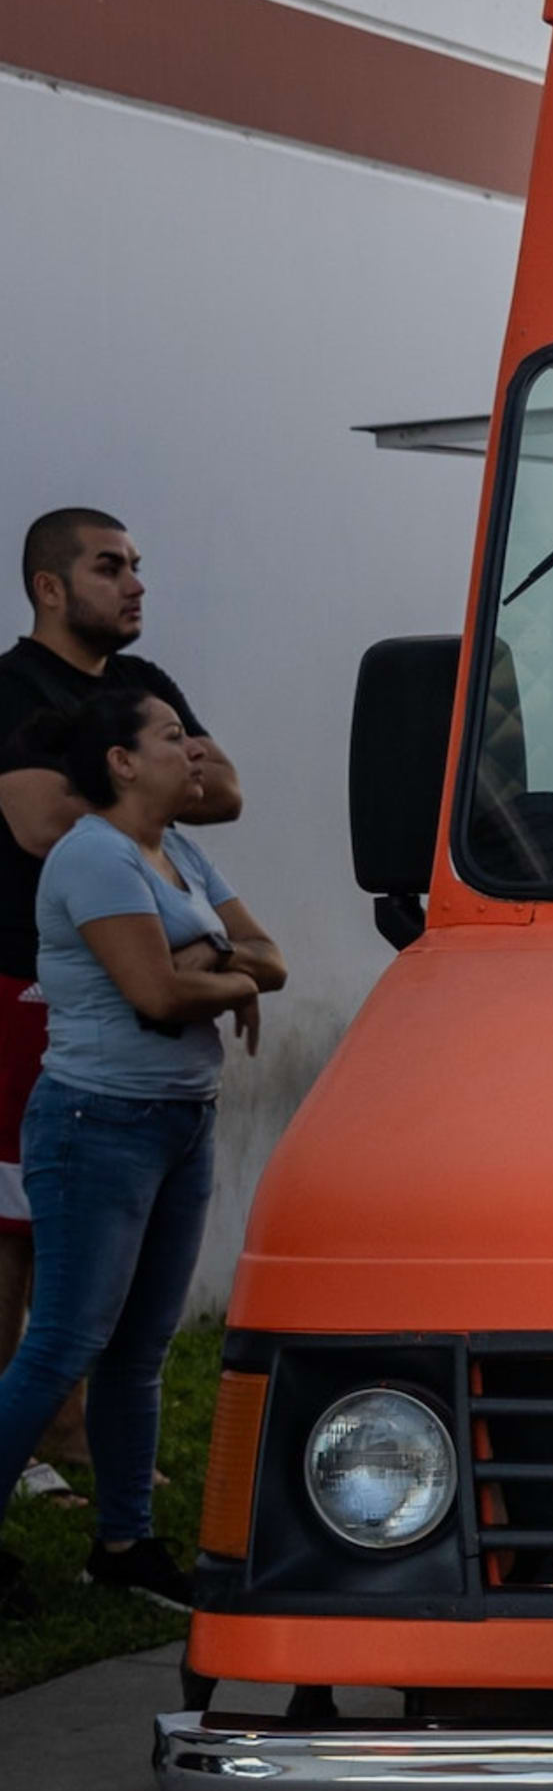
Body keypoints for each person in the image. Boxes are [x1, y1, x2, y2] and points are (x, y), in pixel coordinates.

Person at [0, 686, 281, 1616]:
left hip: (180, 1120)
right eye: (170, 737)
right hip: (96, 1126)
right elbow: (153, 997)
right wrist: (215, 973)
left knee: (137, 1353)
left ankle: (123, 1545)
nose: (192, 750)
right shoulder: (94, 857)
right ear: (121, 762)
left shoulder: (180, 850)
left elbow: (271, 958)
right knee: (62, 1346)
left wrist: (212, 969)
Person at [0, 510, 235, 1506]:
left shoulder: (147, 689)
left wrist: (145, 788)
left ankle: (77, 1430)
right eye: (110, 567)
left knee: (88, 1240)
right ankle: (34, 1428)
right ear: (50, 587)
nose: (134, 582)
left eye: (137, 564)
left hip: (144, 1004)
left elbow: (223, 789)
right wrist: (143, 796)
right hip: (24, 982)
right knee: (16, 1221)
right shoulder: (12, 689)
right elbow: (37, 822)